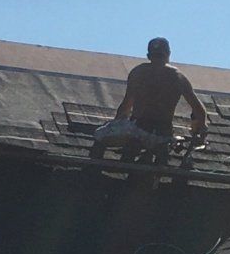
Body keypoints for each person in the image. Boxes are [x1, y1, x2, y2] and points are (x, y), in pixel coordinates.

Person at [89, 37, 209, 165]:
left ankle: (93, 166)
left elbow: (126, 106)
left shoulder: (138, 72)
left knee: (99, 134)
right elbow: (199, 111)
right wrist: (202, 131)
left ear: (148, 56)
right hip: (163, 135)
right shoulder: (178, 77)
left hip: (137, 130)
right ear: (168, 55)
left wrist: (117, 124)